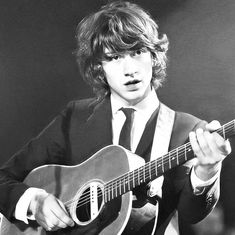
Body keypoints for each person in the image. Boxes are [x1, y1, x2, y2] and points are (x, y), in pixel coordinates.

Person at [0, 1, 232, 235]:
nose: (129, 69)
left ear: (154, 55)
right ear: (99, 67)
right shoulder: (75, 118)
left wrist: (208, 171)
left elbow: (193, 214)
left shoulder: (188, 129)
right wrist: (34, 202)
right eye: (114, 58)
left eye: (138, 52)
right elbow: (3, 179)